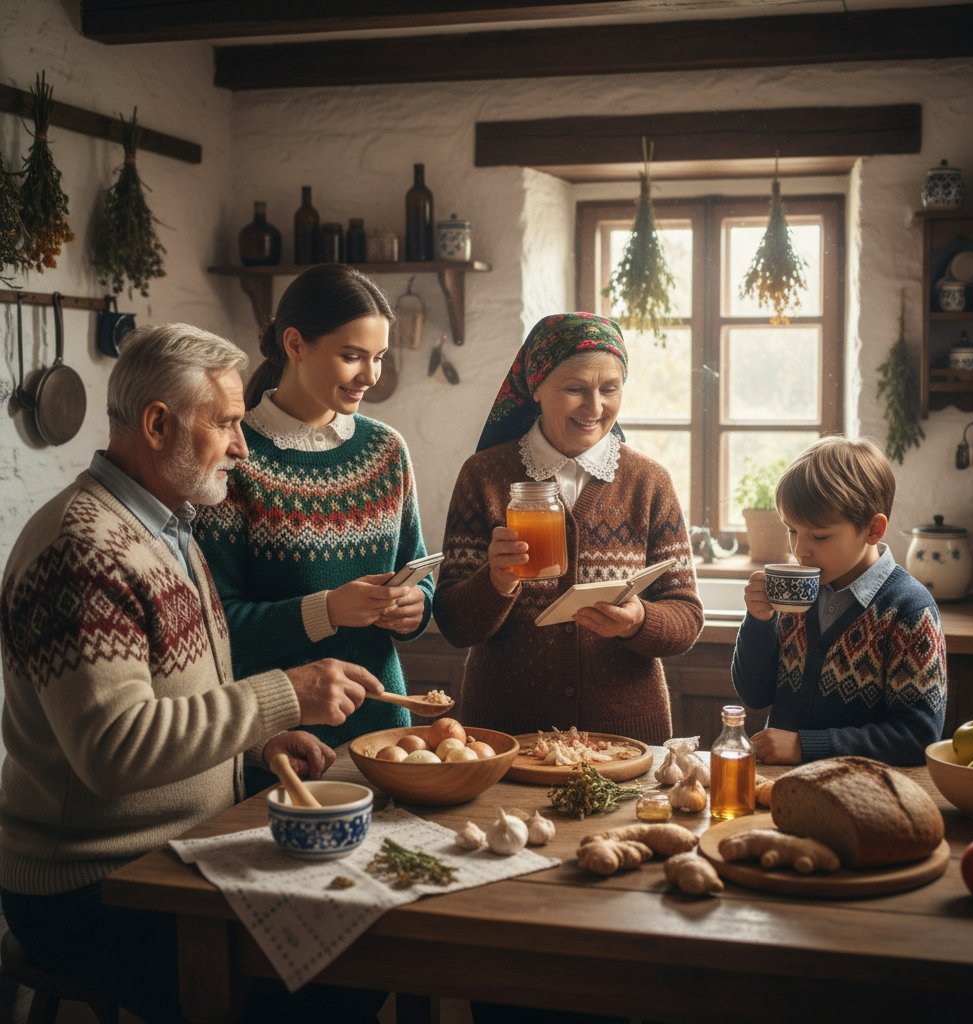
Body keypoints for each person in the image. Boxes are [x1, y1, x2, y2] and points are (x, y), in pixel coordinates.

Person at [0, 323, 387, 1023]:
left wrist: (253, 742)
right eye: (229, 424)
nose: (242, 447)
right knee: (325, 984)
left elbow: (174, 700)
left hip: (176, 858)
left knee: (363, 948)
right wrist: (284, 698)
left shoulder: (166, 527)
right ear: (156, 424)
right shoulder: (82, 550)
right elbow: (114, 748)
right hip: (91, 888)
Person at [193, 264, 433, 793]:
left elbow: (417, 566)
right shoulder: (237, 459)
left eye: (378, 357)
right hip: (281, 743)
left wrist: (417, 606)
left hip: (387, 731)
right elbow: (215, 628)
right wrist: (326, 611)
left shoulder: (386, 451)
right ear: (295, 344)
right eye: (352, 356)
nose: (370, 376)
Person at [432, 312, 704, 744]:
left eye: (609, 389)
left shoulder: (649, 482)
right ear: (535, 388)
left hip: (625, 739)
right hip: (504, 737)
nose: (594, 408)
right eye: (575, 389)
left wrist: (639, 620)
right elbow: (454, 624)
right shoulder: (484, 476)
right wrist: (496, 582)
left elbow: (686, 616)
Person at [730, 435, 947, 766]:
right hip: (782, 787)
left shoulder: (909, 610)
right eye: (792, 530)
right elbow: (754, 695)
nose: (800, 550)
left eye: (819, 536)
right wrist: (759, 622)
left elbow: (917, 736)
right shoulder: (795, 596)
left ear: (873, 530)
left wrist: (807, 746)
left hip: (866, 795)